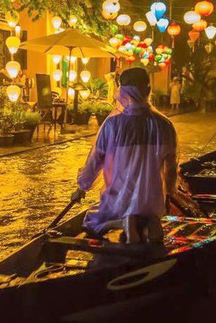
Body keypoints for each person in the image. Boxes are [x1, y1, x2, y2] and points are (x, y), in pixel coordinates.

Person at [71, 67, 178, 244]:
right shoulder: (164, 125)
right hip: (151, 201)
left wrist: (81, 187)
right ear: (148, 91)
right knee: (153, 227)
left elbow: (95, 161)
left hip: (118, 200)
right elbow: (171, 167)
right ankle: (145, 224)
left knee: (91, 223)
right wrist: (171, 192)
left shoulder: (112, 125)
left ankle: (123, 221)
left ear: (121, 92)